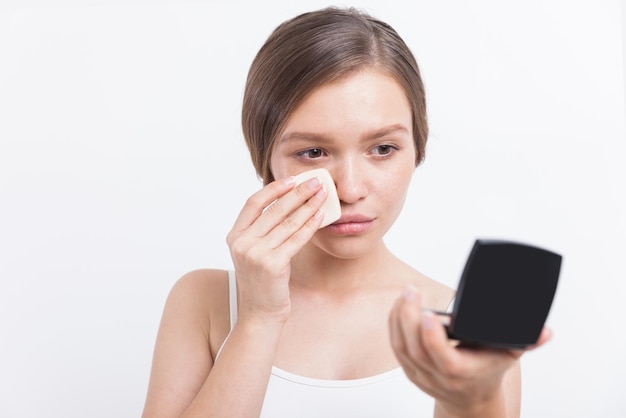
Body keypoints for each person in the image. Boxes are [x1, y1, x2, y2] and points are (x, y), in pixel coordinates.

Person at [141, 6, 550, 418]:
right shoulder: (205, 302)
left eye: (383, 149)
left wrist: (469, 400)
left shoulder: (467, 326)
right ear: (266, 161)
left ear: (417, 150)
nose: (351, 189)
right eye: (313, 152)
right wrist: (259, 317)